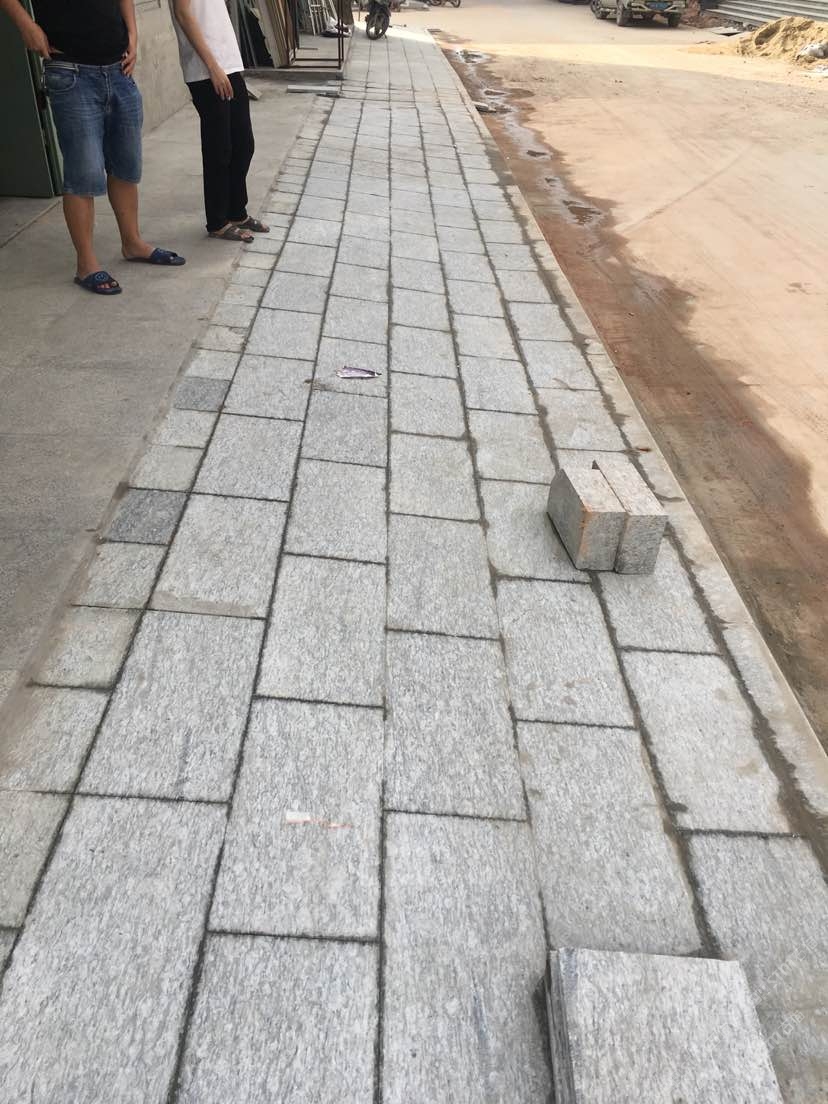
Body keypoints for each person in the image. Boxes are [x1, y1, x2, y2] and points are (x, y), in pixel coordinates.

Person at [0, 0, 186, 295]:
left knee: (126, 165)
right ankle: (86, 264)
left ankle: (132, 242)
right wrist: (27, 25)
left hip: (119, 69)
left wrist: (133, 35)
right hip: (71, 70)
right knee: (83, 172)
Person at [170, 0, 268, 243]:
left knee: (243, 144)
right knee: (219, 149)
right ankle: (217, 222)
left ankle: (236, 212)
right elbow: (182, 13)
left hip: (228, 62)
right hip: (205, 69)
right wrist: (213, 67)